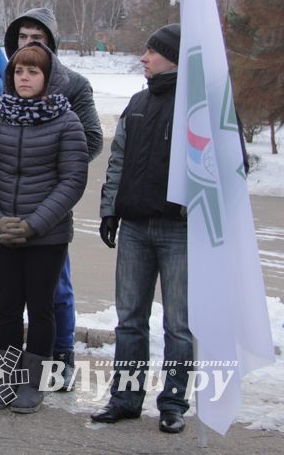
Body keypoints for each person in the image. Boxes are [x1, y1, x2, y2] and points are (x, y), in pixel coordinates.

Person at [0, 6, 102, 386]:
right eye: (22, 38)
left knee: (53, 294)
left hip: (46, 216)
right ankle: (0, 359)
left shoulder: (74, 87)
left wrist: (48, 163)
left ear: (50, 45)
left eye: (37, 38)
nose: (28, 44)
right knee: (2, 293)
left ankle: (59, 361)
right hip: (2, 209)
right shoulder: (3, 88)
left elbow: (89, 144)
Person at [90, 24, 191, 434]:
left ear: (172, 56)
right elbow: (117, 162)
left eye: (151, 51)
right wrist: (110, 210)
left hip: (179, 232)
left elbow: (228, 161)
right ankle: (125, 399)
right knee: (130, 320)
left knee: (178, 325)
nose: (143, 58)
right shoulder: (136, 104)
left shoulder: (197, 106)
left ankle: (173, 403)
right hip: (133, 228)